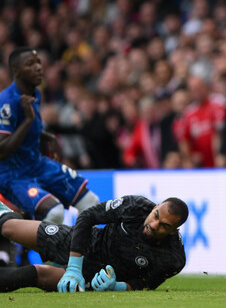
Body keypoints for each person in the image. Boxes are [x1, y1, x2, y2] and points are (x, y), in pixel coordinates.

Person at [0, 195, 188, 292]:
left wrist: (116, 286)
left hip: (94, 276)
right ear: (155, 207)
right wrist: (74, 267)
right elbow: (87, 216)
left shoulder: (173, 259)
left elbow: (145, 284)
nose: (153, 225)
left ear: (174, 231)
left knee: (30, 275)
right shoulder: (136, 206)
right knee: (9, 227)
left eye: (164, 226)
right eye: (155, 216)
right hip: (84, 242)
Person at [0, 48, 100, 224]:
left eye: (38, 62)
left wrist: (44, 136)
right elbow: (2, 149)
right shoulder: (6, 101)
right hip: (14, 175)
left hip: (37, 164)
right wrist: (28, 121)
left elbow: (25, 132)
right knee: (54, 213)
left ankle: (80, 251)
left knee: (91, 203)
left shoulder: (35, 94)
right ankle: (52, 250)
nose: (38, 67)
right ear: (16, 71)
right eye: (30, 64)